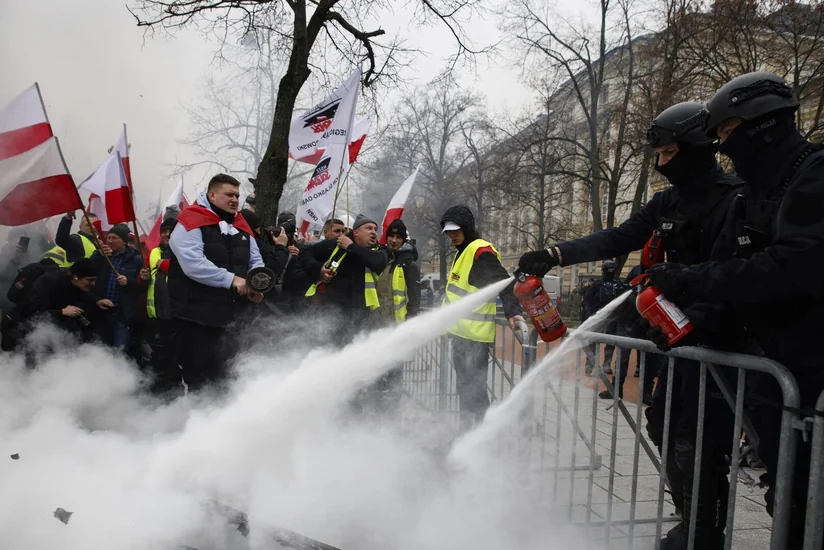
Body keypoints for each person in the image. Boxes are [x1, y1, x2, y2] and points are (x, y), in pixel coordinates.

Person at [518, 101, 744, 550]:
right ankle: (689, 518)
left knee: (698, 441)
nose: (661, 163)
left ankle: (703, 534)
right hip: (675, 335)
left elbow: (735, 272)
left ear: (697, 148)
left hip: (719, 339)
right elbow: (619, 237)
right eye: (657, 155)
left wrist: (697, 307)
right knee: (662, 426)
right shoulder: (667, 202)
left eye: (669, 153)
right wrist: (555, 254)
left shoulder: (734, 198)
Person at [647, 72, 824, 550]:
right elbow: (730, 277)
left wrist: (693, 278)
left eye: (727, 132)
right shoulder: (751, 195)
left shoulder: (814, 176)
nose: (723, 146)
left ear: (762, 126)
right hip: (775, 372)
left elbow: (789, 268)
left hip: (813, 368)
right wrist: (693, 324)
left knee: (811, 497)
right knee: (787, 494)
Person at [168, 174, 265, 392]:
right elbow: (193, 264)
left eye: (237, 195)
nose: (235, 200)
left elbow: (256, 261)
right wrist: (232, 279)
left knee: (230, 379)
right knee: (199, 381)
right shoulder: (189, 221)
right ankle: (196, 414)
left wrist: (256, 286)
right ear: (212, 195)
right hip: (196, 318)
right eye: (229, 194)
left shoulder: (241, 225)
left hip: (233, 319)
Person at [441, 205, 525, 430]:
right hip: (461, 336)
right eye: (448, 232)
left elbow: (503, 282)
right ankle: (466, 432)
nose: (452, 236)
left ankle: (480, 437)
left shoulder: (480, 251)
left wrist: (513, 311)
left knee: (475, 392)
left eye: (456, 230)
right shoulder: (462, 252)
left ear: (467, 227)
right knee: (464, 389)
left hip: (475, 340)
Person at [303, 214, 388, 342]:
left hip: (361, 313)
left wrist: (350, 247)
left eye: (375, 229)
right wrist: (319, 269)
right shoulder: (336, 244)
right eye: (369, 228)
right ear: (356, 232)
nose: (374, 232)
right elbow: (305, 253)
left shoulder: (379, 250)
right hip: (331, 312)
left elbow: (378, 262)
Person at [1, 259, 111, 352]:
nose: (93, 284)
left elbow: (81, 294)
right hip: (21, 330)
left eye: (94, 280)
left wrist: (97, 301)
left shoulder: (71, 282)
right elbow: (33, 315)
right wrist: (62, 312)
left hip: (48, 332)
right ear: (76, 277)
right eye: (90, 280)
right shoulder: (47, 283)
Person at [372, 219, 422, 411]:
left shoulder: (409, 266)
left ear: (403, 239)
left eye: (398, 237)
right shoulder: (379, 260)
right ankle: (376, 412)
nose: (394, 240)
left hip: (396, 330)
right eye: (391, 236)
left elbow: (414, 302)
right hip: (376, 329)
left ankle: (392, 416)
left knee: (393, 379)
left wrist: (408, 328)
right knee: (375, 375)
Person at [599, 263, 659, 404]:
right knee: (622, 357)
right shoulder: (637, 270)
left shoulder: (660, 271)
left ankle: (646, 392)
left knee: (648, 359)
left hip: (647, 321)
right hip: (629, 321)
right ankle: (616, 389)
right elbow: (626, 287)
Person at [89, 223, 146, 355]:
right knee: (99, 349)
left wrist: (129, 281)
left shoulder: (136, 260)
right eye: (108, 238)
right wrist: (98, 255)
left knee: (120, 350)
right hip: (101, 311)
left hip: (122, 314)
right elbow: (88, 270)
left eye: (114, 238)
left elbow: (142, 286)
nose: (110, 241)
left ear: (124, 242)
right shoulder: (102, 256)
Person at [146, 216, 178, 393]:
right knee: (161, 351)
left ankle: (175, 383)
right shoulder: (155, 252)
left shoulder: (183, 250)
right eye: (163, 231)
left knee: (176, 350)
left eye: (170, 231)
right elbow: (153, 270)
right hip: (158, 313)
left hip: (177, 312)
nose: (166, 234)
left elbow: (183, 268)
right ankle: (161, 384)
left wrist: (166, 265)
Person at [581, 260, 625, 376]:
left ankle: (607, 363)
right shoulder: (597, 285)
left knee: (610, 341)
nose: (610, 272)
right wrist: (590, 313)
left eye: (612, 270)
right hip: (598, 315)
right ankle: (590, 363)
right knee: (593, 340)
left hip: (613, 317)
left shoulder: (618, 285)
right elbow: (587, 299)